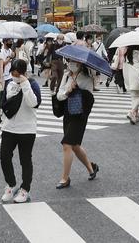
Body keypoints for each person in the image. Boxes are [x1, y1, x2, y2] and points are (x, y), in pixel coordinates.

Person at [0, 59, 41, 204]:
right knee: (4, 156)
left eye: (17, 73)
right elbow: (5, 104)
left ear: (23, 72)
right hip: (9, 128)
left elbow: (33, 103)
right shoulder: (9, 83)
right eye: (12, 72)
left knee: (25, 160)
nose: (14, 75)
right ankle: (11, 185)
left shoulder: (33, 84)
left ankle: (25, 190)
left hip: (27, 129)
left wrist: (25, 84)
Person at [55, 58, 98, 188]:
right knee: (75, 146)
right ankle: (91, 169)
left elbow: (89, 98)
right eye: (69, 61)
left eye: (74, 62)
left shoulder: (86, 78)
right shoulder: (67, 75)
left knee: (67, 144)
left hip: (79, 115)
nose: (71, 64)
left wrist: (77, 87)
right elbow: (59, 96)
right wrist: (68, 90)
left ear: (81, 63)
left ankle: (65, 178)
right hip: (68, 113)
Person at [121, 45, 139, 124]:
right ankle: (132, 112)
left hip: (130, 76)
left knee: (134, 97)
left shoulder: (126, 54)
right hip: (138, 76)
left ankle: (136, 115)